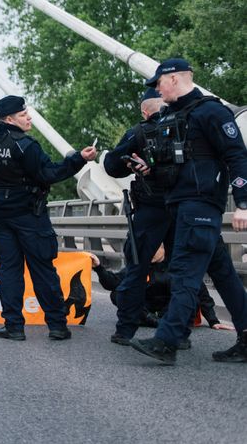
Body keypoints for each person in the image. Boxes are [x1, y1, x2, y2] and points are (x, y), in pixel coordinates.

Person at [128, 58, 247, 365]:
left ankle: (167, 341)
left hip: (201, 205)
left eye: (159, 82)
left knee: (183, 273)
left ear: (175, 79)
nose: (156, 88)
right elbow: (176, 164)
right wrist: (150, 171)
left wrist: (244, 203)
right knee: (224, 275)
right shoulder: (172, 115)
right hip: (181, 205)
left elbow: (237, 156)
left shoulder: (211, 112)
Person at [0, 95, 96, 341]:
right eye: (23, 115)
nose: (28, 118)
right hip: (29, 214)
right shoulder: (25, 145)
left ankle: (13, 326)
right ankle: (57, 326)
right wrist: (79, 159)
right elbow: (49, 174)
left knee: (9, 270)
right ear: (9, 119)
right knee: (42, 269)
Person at [102, 88, 179, 346]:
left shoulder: (139, 132)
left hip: (151, 207)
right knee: (182, 268)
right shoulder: (185, 123)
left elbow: (111, 165)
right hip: (184, 205)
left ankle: (125, 329)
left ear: (145, 112)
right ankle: (178, 332)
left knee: (137, 266)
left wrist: (131, 163)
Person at [88, 249, 232, 335]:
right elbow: (113, 283)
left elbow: (201, 291)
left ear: (164, 247)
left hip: (168, 311)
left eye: (155, 247)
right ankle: (152, 320)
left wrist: (213, 320)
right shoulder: (139, 267)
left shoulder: (176, 267)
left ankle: (160, 322)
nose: (150, 251)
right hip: (146, 311)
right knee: (118, 293)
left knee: (188, 293)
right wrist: (99, 268)